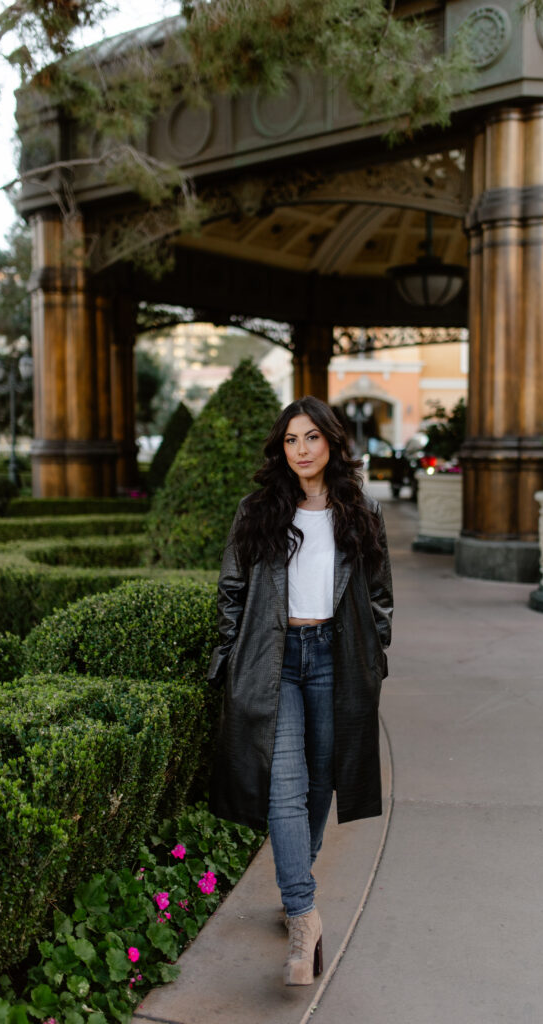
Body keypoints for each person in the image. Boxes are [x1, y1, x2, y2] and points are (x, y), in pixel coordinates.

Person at [208, 395, 393, 986]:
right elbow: (232, 591)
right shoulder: (258, 511)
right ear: (281, 448)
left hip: (335, 660)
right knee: (284, 787)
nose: (301, 449)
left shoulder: (361, 512)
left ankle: (294, 887)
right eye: (291, 440)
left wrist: (374, 658)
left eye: (311, 437)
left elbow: (379, 596)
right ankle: (304, 916)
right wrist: (228, 661)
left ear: (332, 442)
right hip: (275, 660)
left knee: (319, 784)